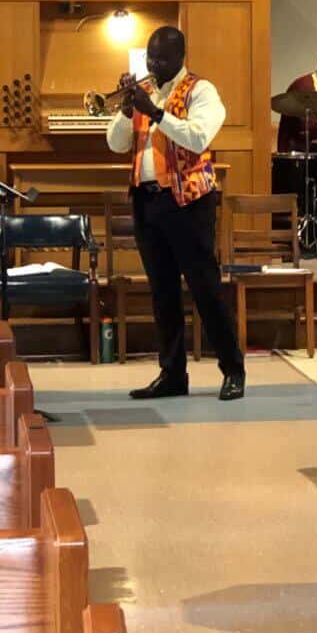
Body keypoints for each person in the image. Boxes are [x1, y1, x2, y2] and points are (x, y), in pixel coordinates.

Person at [106, 26, 246, 401]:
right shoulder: (144, 92)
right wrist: (125, 111)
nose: (154, 64)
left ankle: (233, 369)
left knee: (205, 288)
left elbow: (198, 137)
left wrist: (154, 113)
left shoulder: (202, 91)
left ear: (181, 57)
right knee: (162, 291)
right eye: (150, 58)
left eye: (162, 58)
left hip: (189, 203)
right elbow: (117, 144)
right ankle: (172, 375)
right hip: (147, 200)